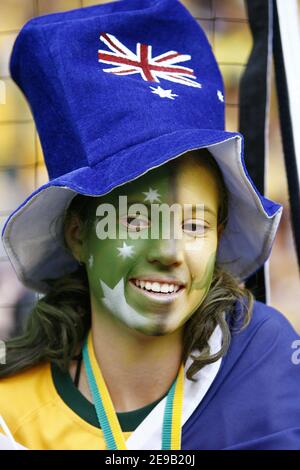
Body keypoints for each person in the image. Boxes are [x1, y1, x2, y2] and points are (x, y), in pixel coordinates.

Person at [0, 0, 299, 450]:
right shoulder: (13, 418)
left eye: (195, 225)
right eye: (136, 220)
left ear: (219, 234)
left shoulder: (268, 365)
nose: (170, 251)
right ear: (78, 235)